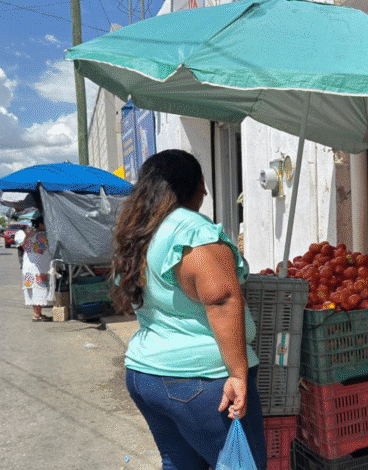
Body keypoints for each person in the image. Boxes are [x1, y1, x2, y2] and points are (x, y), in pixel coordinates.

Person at [110, 149, 267, 470]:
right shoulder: (192, 232)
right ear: (192, 187)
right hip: (199, 380)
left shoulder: (140, 231)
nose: (207, 192)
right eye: (202, 184)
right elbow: (221, 300)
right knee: (241, 466)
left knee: (180, 464)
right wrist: (237, 374)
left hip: (147, 375)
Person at [21, 217, 54, 322]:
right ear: (40, 225)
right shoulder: (43, 235)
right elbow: (47, 249)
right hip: (38, 267)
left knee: (32, 290)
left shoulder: (29, 235)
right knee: (39, 290)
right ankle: (36, 314)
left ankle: (37, 313)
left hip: (27, 266)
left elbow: (23, 246)